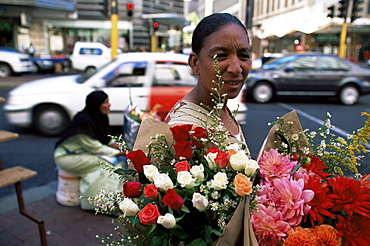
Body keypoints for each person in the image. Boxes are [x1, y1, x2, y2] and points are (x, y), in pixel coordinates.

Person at [164, 13, 258, 245]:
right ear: (195, 63)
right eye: (220, 56)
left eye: (243, 55)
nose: (236, 68)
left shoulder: (221, 106)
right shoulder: (185, 129)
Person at [54, 90, 126, 210]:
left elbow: (104, 137)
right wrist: (119, 152)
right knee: (106, 166)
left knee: (115, 164)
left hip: (83, 153)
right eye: (106, 102)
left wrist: (117, 145)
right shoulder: (84, 122)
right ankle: (99, 204)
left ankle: (113, 199)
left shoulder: (98, 117)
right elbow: (95, 147)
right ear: (96, 104)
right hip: (67, 157)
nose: (109, 105)